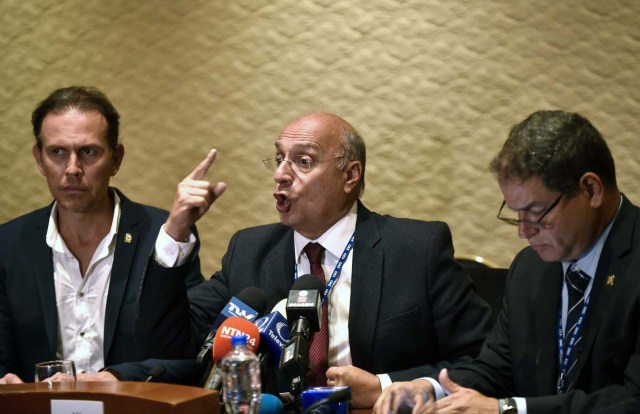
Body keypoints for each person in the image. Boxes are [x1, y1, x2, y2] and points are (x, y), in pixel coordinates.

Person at [136, 112, 493, 407]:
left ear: (350, 175)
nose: (280, 174)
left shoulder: (416, 249)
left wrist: (383, 386)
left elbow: (481, 360)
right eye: (279, 160)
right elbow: (171, 344)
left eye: (303, 162)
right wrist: (176, 231)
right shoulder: (249, 250)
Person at [374, 110, 640, 413]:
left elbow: (634, 399)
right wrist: (428, 387)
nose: (524, 231)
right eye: (515, 214)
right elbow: (496, 368)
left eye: (537, 213)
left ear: (590, 189)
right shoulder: (531, 267)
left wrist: (507, 410)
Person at [0, 86, 204, 384]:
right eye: (57, 152)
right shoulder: (8, 244)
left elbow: (189, 356)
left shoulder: (163, 236)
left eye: (88, 152)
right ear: (39, 159)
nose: (72, 169)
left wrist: (113, 378)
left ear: (116, 159)